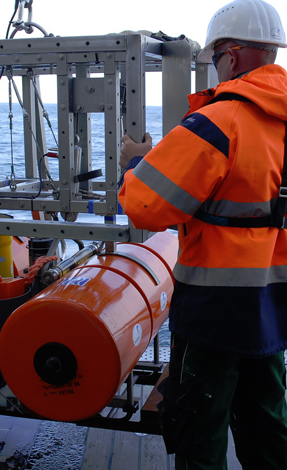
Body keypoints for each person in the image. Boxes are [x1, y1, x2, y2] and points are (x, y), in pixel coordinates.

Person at [118, 0, 287, 469]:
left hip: (217, 306)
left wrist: (135, 161)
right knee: (266, 419)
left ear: (230, 56)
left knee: (198, 423)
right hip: (274, 304)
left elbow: (145, 205)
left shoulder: (221, 119)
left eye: (214, 59)